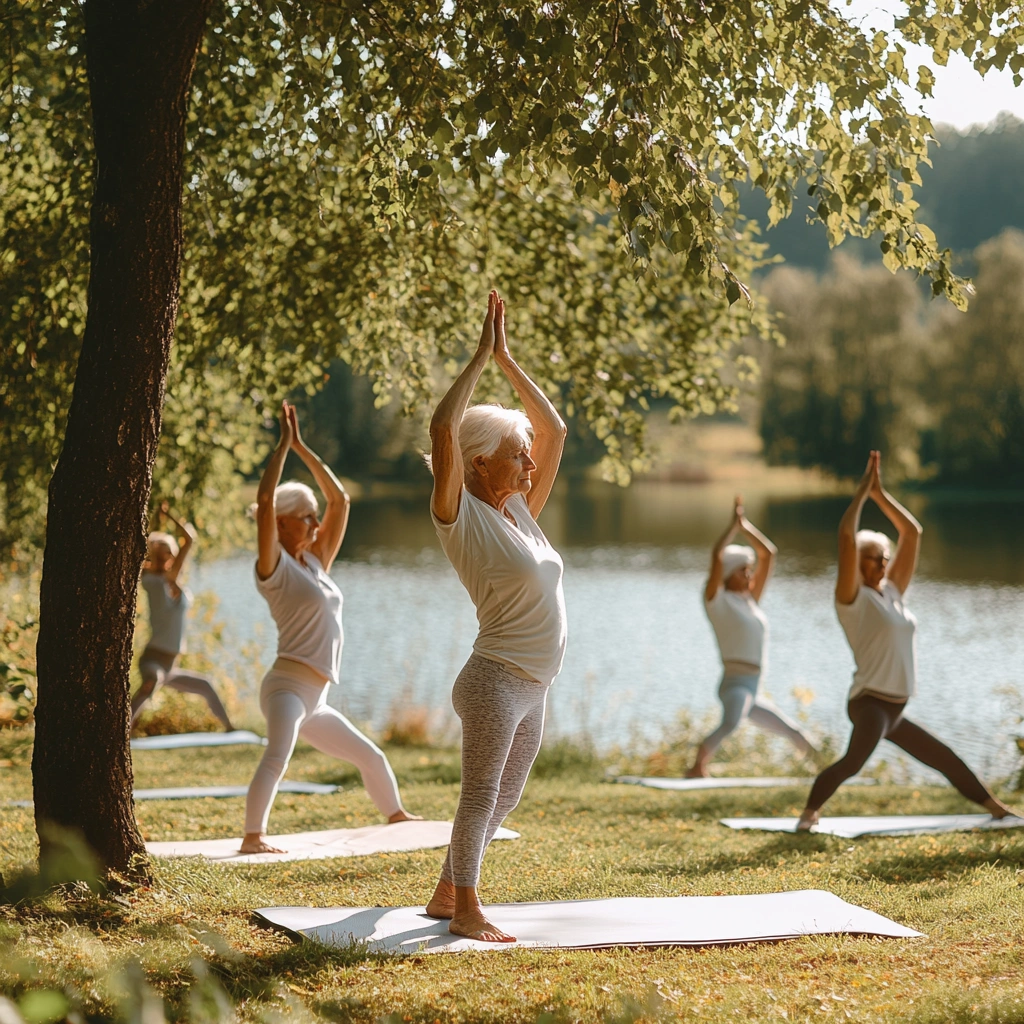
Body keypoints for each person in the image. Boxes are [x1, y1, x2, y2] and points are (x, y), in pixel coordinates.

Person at [424, 290, 568, 942]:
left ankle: (443, 891)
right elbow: (439, 430)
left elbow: (556, 431)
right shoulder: (463, 515)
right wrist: (479, 358)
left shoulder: (520, 508)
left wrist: (509, 360)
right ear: (481, 460)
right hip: (495, 680)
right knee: (480, 798)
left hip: (534, 685)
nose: (530, 463)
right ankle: (466, 910)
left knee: (505, 799)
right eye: (519, 454)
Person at [797, 450, 1015, 830]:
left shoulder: (893, 593)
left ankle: (997, 808)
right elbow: (847, 539)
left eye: (884, 557)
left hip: (895, 708)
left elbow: (912, 532)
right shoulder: (852, 599)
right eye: (873, 558)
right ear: (858, 563)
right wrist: (862, 494)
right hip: (871, 704)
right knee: (853, 763)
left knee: (944, 758)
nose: (882, 563)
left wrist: (881, 494)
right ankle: (808, 815)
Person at [242, 400, 418, 854]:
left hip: (315, 698)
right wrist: (281, 450)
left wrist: (301, 446)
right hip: (286, 689)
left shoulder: (316, 563)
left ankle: (396, 815)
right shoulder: (274, 567)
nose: (317, 525)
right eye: (307, 517)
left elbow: (340, 500)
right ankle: (253, 837)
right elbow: (263, 502)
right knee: (278, 756)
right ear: (281, 524)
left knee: (369, 755)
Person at [686, 497, 817, 778]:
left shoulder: (750, 602)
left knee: (793, 731)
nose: (749, 574)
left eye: (749, 569)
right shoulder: (717, 602)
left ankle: (823, 767)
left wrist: (745, 526)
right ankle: (697, 767)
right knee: (731, 723)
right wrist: (731, 530)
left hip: (754, 687)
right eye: (743, 570)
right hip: (735, 685)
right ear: (728, 575)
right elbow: (715, 559)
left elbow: (769, 554)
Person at [132, 506, 236, 732]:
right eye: (163, 552)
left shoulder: (171, 580)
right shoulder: (151, 579)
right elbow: (185, 542)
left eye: (170, 552)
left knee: (206, 686)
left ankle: (230, 728)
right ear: (153, 554)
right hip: (154, 660)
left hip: (171, 665)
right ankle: (120, 731)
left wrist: (168, 515)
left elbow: (188, 539)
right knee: (151, 684)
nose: (169, 557)